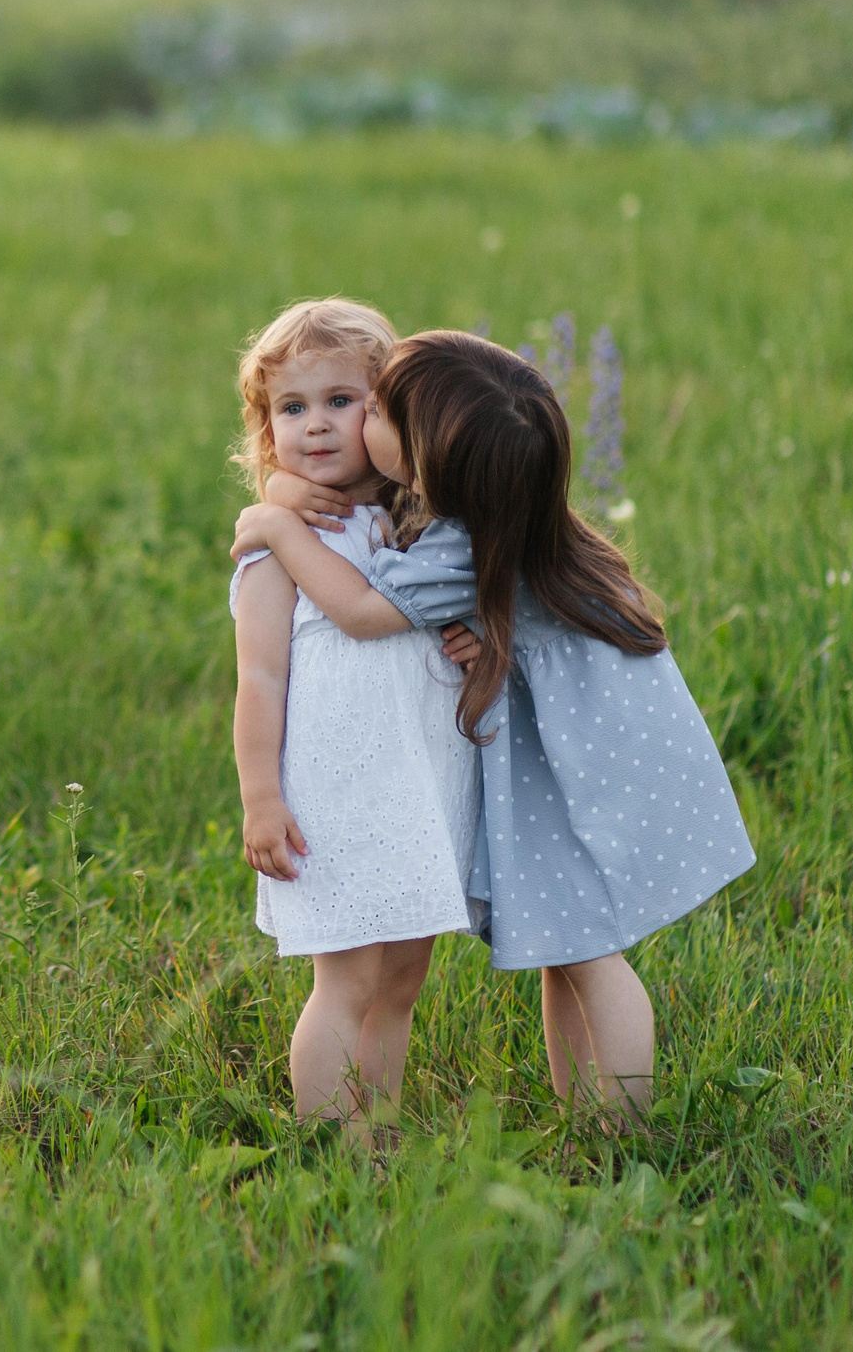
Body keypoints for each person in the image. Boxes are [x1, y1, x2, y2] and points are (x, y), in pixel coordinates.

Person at [233, 330, 756, 1115]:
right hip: (536, 750)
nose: (333, 424)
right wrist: (282, 500)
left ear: (426, 457)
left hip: (558, 757)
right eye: (303, 408)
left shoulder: (443, 534)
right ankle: (573, 1130)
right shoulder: (469, 506)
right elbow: (274, 660)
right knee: (561, 948)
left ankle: (620, 1132)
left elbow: (366, 610)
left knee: (581, 951)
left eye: (365, 405)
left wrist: (276, 520)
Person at [226, 299, 481, 1132]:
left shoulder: (417, 522)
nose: (317, 425)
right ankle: (331, 1147)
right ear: (268, 429)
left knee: (404, 974)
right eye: (291, 408)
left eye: (343, 401)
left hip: (416, 785)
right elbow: (259, 680)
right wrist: (260, 796)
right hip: (338, 793)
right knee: (348, 980)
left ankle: (380, 1129)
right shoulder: (278, 546)